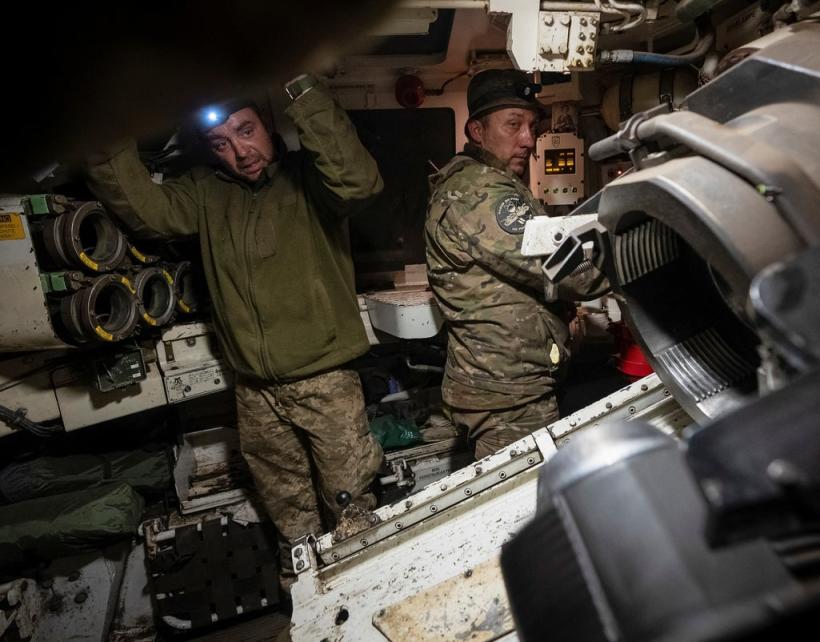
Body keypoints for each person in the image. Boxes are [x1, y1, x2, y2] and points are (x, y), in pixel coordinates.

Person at [85, 73, 384, 548]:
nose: (241, 151)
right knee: (292, 525)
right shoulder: (205, 193)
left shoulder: (310, 180)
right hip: (255, 392)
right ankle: (304, 604)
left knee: (353, 515)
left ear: (267, 125)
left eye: (246, 131)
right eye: (220, 142)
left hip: (325, 382)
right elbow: (145, 211)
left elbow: (358, 182)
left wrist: (301, 89)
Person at [424, 69, 609, 459]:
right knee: (521, 507)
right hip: (509, 392)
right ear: (477, 130)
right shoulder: (480, 191)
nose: (528, 139)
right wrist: (632, 261)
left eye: (531, 125)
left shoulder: (483, 181)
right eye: (513, 125)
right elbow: (562, 267)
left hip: (503, 382)